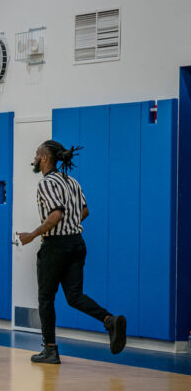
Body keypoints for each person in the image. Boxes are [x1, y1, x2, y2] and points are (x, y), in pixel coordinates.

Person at [18, 140, 126, 364]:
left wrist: (33, 234)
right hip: (77, 243)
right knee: (74, 296)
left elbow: (56, 214)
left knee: (46, 298)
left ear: (45, 158)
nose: (35, 158)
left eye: (37, 154)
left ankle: (50, 350)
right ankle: (109, 320)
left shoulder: (46, 183)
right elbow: (85, 210)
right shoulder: (71, 181)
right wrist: (70, 227)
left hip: (55, 246)